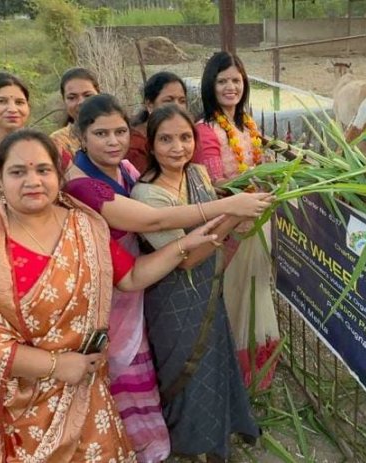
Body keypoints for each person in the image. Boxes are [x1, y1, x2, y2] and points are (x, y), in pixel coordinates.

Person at [0, 129, 223, 462]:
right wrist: (56, 365)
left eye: (43, 170)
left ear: (59, 175)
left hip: (89, 392)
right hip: (23, 405)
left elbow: (130, 277)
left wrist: (185, 244)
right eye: (18, 171)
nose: (32, 180)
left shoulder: (85, 226)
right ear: (0, 178)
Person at [63, 93, 272, 462]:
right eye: (101, 134)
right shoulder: (86, 185)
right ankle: (139, 449)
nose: (113, 141)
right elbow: (154, 223)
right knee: (133, 378)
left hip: (147, 282)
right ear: (81, 137)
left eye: (120, 132)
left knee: (173, 368)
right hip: (120, 292)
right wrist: (230, 210)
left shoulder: (128, 170)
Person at [131, 104, 259, 461]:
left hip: (208, 292)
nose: (178, 147)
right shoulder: (147, 196)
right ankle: (187, 447)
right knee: (185, 375)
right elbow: (187, 258)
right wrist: (235, 212)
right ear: (152, 146)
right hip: (174, 303)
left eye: (185, 137)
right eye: (166, 139)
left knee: (214, 365)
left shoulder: (199, 174)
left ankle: (217, 438)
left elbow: (217, 213)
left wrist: (243, 201)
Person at [193, 51, 281, 390]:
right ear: (210, 86)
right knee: (232, 295)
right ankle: (229, 373)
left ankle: (256, 373)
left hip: (257, 219)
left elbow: (255, 168)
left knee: (257, 288)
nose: (230, 87)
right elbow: (217, 184)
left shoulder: (248, 125)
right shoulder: (205, 130)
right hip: (231, 225)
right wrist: (249, 196)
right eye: (222, 81)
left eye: (236, 80)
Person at [128, 71, 189, 173]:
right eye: (168, 100)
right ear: (149, 105)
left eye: (182, 101)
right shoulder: (135, 145)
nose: (176, 107)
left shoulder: (187, 135)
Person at [50, 67, 100, 163]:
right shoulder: (58, 142)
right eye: (72, 97)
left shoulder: (118, 131)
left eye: (88, 95)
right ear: (64, 101)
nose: (81, 102)